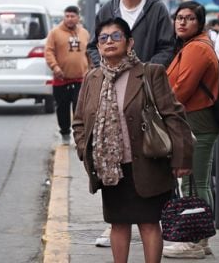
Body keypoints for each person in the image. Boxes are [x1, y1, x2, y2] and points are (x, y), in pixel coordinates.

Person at [73, 17, 193, 263]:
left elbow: (173, 116)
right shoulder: (92, 79)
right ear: (98, 46)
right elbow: (79, 122)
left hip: (148, 163)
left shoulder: (151, 73)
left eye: (116, 36)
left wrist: (182, 158)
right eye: (103, 38)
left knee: (148, 223)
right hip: (110, 168)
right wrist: (86, 151)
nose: (109, 42)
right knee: (118, 224)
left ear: (129, 42)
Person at [87, 0, 175, 247]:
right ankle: (116, 221)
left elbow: (167, 47)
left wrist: (145, 72)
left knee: (145, 159)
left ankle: (149, 220)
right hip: (111, 90)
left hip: (145, 93)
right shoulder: (108, 8)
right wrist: (99, 69)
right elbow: (92, 46)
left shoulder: (157, 9)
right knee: (117, 159)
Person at [162, 1, 219, 259]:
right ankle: (200, 239)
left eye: (189, 18)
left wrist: (159, 107)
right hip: (192, 120)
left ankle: (196, 241)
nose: (182, 22)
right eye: (179, 18)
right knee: (192, 181)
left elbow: (181, 89)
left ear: (200, 23)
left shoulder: (197, 48)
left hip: (198, 121)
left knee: (196, 182)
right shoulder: (191, 46)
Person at [45, 5, 90, 144]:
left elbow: (89, 52)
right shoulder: (55, 33)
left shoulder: (84, 33)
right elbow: (49, 52)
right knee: (62, 107)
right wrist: (55, 67)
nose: (69, 19)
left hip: (81, 78)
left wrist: (91, 69)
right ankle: (64, 132)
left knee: (79, 108)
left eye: (72, 16)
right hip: (61, 79)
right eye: (67, 16)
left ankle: (79, 135)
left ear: (78, 17)